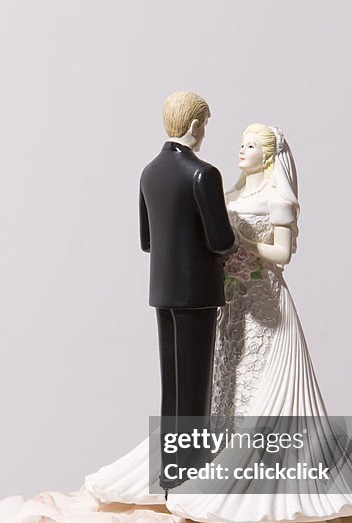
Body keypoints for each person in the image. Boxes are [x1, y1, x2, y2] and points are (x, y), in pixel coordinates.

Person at [86, 123, 352, 523]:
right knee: (223, 381)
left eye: (250, 146)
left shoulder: (277, 199)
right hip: (229, 300)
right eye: (240, 144)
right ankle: (200, 462)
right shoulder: (227, 189)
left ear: (267, 155)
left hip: (264, 299)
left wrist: (240, 243)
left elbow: (281, 255)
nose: (240, 151)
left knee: (258, 385)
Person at [138, 91, 238, 488]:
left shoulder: (149, 172)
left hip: (162, 290)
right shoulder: (203, 174)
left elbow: (147, 240)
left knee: (172, 385)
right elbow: (220, 241)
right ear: (196, 126)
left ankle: (170, 470)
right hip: (196, 291)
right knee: (194, 384)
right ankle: (192, 472)